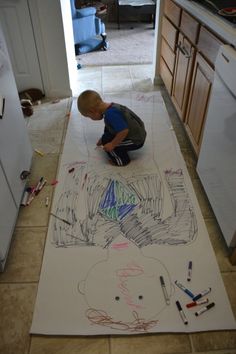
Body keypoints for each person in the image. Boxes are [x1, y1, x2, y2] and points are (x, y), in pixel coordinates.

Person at [77, 90, 146, 166]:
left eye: (90, 117)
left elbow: (124, 131)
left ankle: (122, 161)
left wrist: (112, 144)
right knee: (106, 138)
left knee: (107, 144)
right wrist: (102, 138)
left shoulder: (111, 115)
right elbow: (110, 127)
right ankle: (119, 146)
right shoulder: (111, 107)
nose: (91, 119)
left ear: (92, 111)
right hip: (138, 133)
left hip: (136, 140)